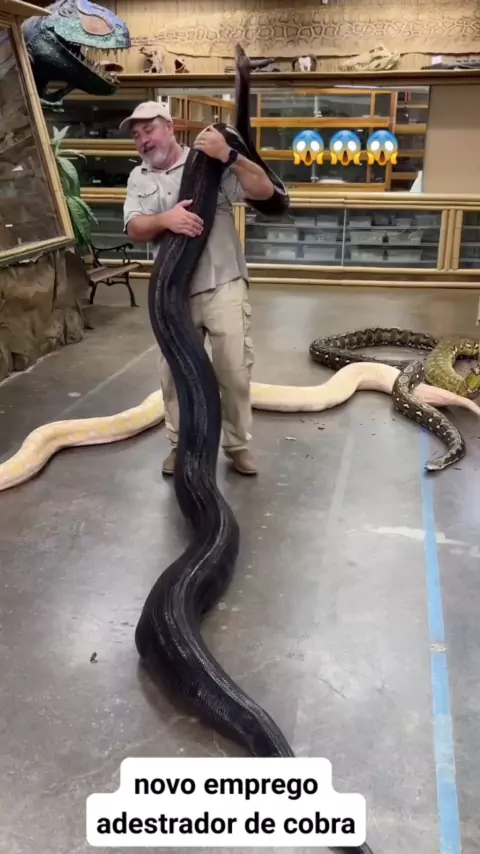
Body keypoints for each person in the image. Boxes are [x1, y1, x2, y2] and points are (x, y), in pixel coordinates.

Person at [121, 101, 275, 476]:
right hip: (173, 294)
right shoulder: (139, 177)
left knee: (234, 370)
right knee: (174, 373)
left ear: (170, 127)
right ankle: (180, 446)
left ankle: (237, 445)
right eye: (137, 135)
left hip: (223, 282)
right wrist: (166, 219)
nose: (143, 140)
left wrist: (230, 155)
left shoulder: (209, 160)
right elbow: (134, 227)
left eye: (149, 130)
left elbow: (264, 190)